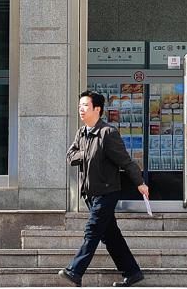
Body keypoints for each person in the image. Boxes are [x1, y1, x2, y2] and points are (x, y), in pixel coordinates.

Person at [59, 90, 148, 288]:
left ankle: (75, 271)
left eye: (85, 106)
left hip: (107, 192)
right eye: (80, 105)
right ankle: (132, 273)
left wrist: (140, 183)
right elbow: (70, 156)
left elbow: (126, 161)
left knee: (92, 230)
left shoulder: (108, 133)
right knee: (111, 235)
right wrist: (85, 154)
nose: (81, 109)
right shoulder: (82, 133)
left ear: (97, 109)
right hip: (90, 194)